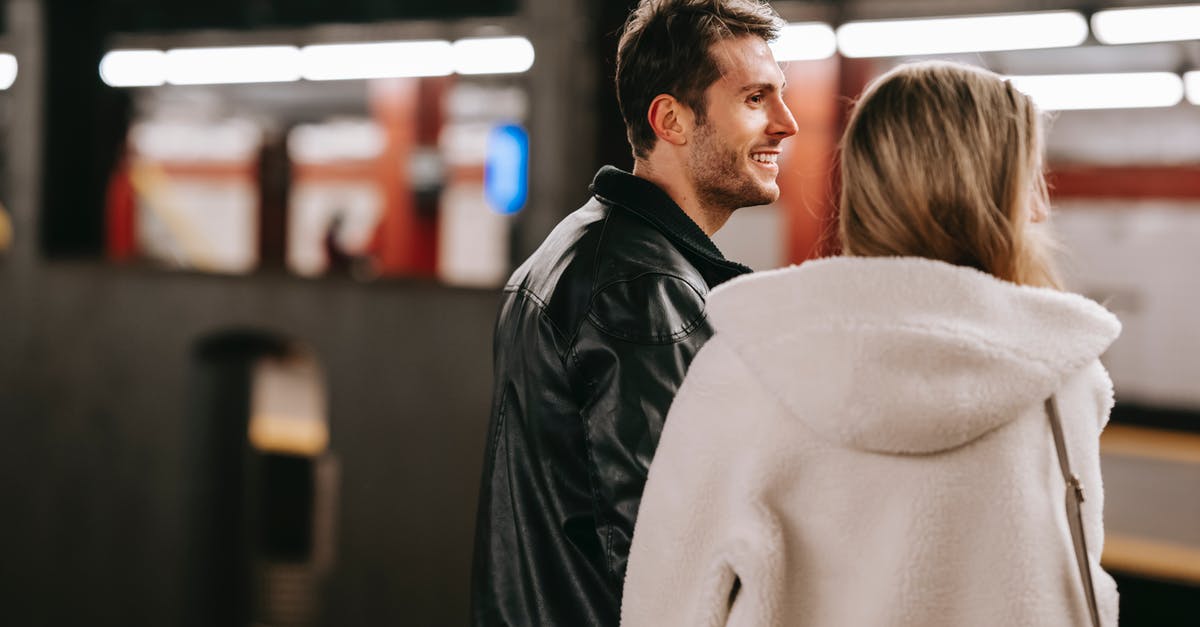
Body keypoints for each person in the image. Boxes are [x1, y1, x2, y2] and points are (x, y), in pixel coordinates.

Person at [621, 60, 1122, 626]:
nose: (1040, 208)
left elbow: (666, 599)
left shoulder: (746, 365)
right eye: (1030, 183)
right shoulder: (1061, 384)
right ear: (1000, 202)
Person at [470, 0, 799, 624]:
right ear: (671, 119)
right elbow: (668, 552)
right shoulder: (643, 290)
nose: (787, 123)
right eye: (756, 98)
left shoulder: (578, 248)